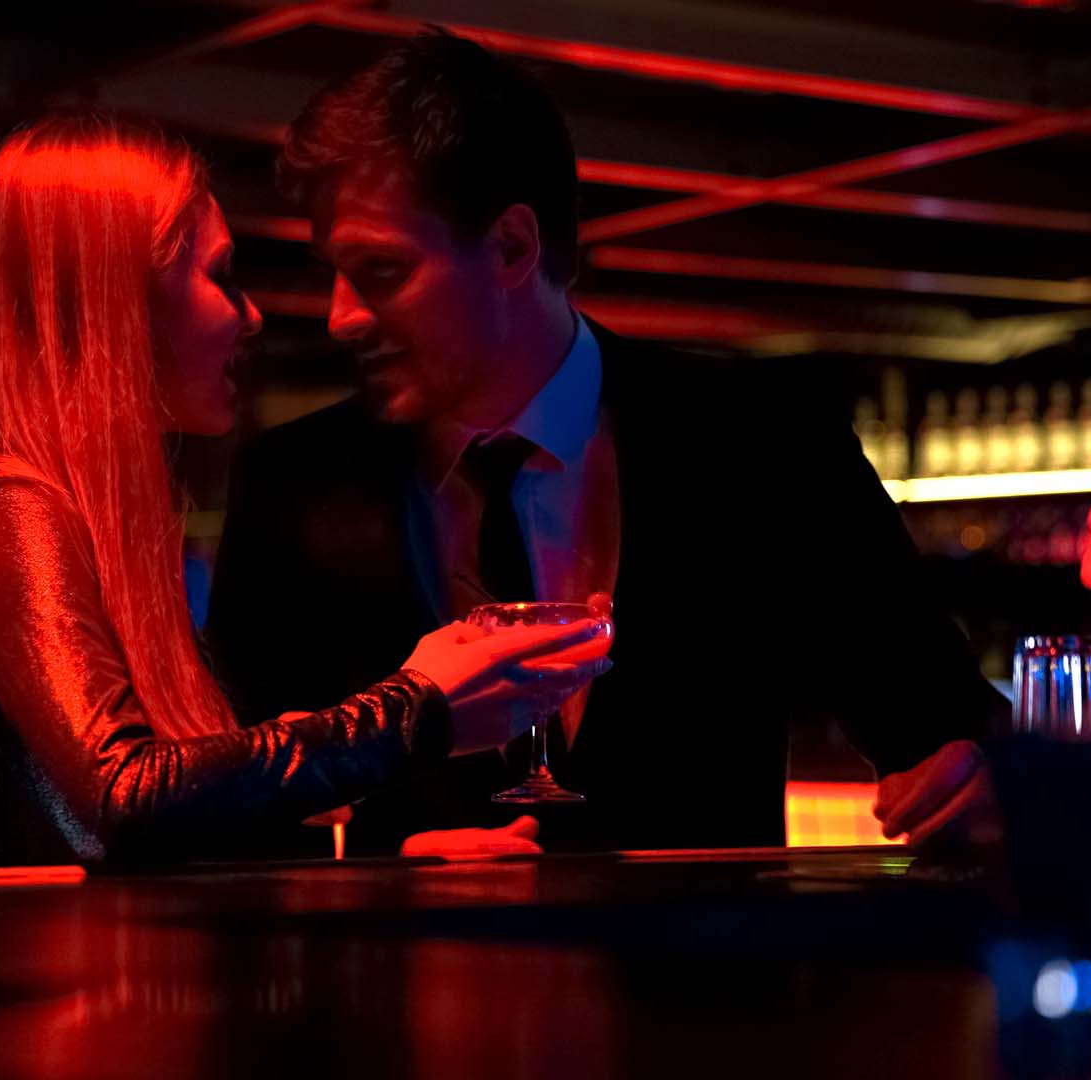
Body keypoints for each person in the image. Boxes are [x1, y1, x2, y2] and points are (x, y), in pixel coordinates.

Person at [206, 33, 1005, 857]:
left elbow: (944, 723)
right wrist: (384, 874)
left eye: (379, 271)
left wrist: (985, 779)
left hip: (704, 982)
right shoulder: (295, 482)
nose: (340, 316)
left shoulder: (760, 438)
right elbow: (236, 805)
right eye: (332, 273)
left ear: (513, 246)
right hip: (416, 973)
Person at [0, 116, 611, 870]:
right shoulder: (10, 509)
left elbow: (116, 848)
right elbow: (127, 796)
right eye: (221, 276)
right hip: (18, 1009)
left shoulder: (60, 515)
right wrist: (414, 709)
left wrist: (377, 858)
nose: (253, 315)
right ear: (118, 295)